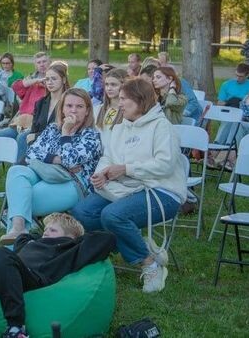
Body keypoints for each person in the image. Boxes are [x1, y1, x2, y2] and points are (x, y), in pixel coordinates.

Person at [71, 77, 185, 293]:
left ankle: (149, 263)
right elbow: (108, 157)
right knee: (82, 211)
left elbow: (165, 165)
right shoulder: (121, 128)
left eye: (125, 99)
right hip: (125, 188)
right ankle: (134, 242)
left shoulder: (162, 127)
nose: (119, 103)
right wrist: (101, 174)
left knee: (113, 215)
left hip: (162, 190)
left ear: (141, 101)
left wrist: (125, 169)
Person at [0, 89, 103, 244]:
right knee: (16, 170)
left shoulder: (91, 136)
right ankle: (19, 230)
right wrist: (57, 159)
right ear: (62, 109)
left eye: (79, 106)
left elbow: (70, 161)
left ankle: (15, 246)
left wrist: (66, 133)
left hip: (72, 183)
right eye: (69, 106)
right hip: (42, 173)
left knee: (20, 200)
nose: (73, 110)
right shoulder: (53, 129)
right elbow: (32, 153)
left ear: (87, 111)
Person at [0, 62, 71, 181]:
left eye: (54, 79)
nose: (50, 82)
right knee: (21, 139)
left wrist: (35, 135)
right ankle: (2, 173)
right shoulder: (41, 102)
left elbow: (61, 129)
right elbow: (35, 126)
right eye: (47, 79)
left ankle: (18, 175)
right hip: (37, 140)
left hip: (56, 142)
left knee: (23, 138)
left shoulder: (68, 103)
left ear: (63, 80)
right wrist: (33, 133)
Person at [11, 52, 52, 124]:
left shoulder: (55, 79)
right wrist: (36, 81)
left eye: (44, 61)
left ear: (50, 63)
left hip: (38, 121)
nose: (42, 65)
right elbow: (15, 86)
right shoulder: (31, 78)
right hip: (23, 117)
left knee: (20, 136)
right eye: (39, 63)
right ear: (35, 66)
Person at [95, 68, 128, 135]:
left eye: (113, 85)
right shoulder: (97, 109)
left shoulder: (128, 111)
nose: (109, 88)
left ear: (123, 85)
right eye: (107, 84)